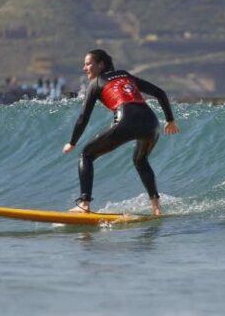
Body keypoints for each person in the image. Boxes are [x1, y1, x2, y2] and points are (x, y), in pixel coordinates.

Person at [62, 49, 179, 215]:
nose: (84, 68)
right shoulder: (125, 75)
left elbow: (83, 117)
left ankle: (85, 204)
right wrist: (170, 120)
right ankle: (156, 207)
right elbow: (160, 93)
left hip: (126, 120)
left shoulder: (95, 84)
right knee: (141, 160)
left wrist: (72, 142)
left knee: (86, 155)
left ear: (101, 65)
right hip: (151, 123)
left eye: (88, 64)